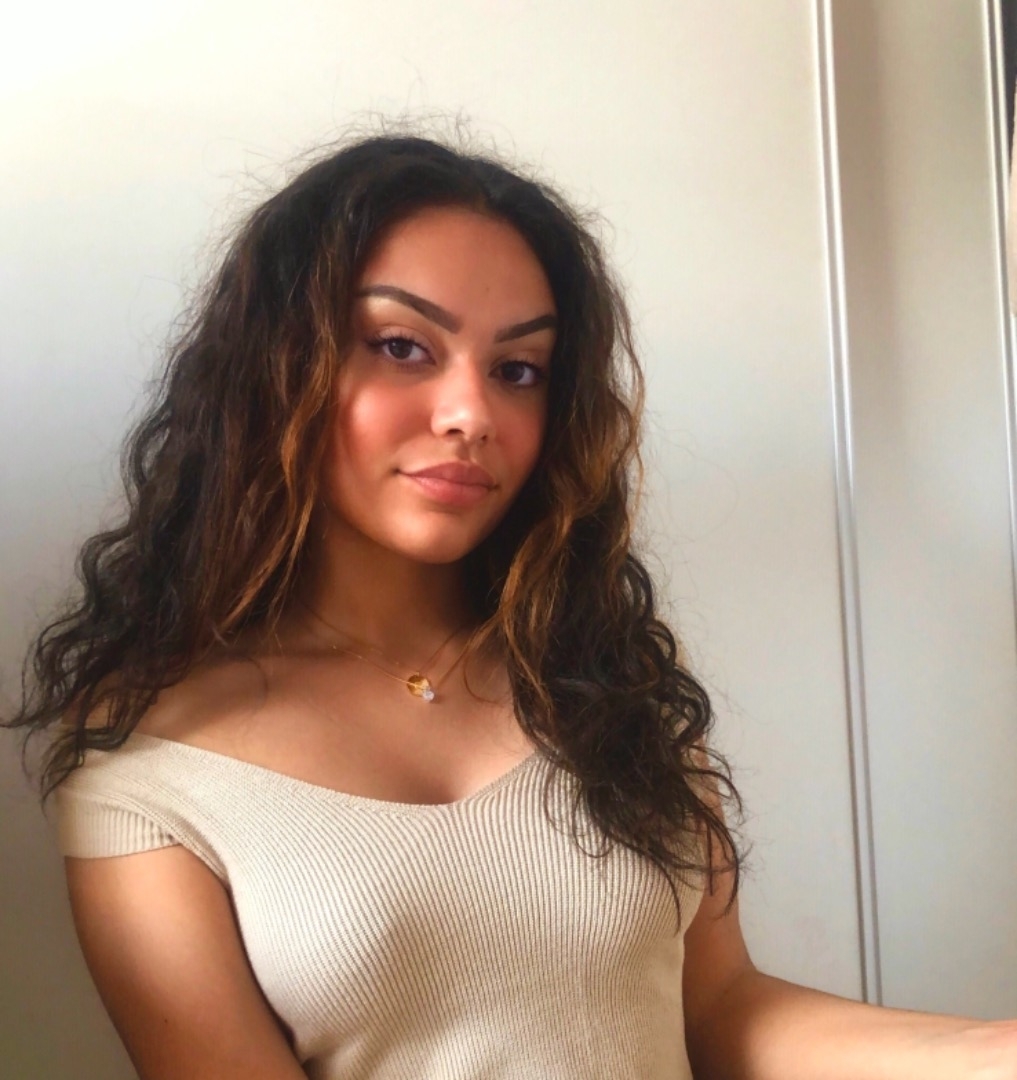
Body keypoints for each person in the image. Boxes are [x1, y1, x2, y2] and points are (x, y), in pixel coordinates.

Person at [7, 132, 1017, 1080]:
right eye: (401, 345)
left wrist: (987, 1049)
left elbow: (719, 1010)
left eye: (518, 369)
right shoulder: (153, 757)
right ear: (274, 368)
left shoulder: (604, 679)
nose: (472, 414)